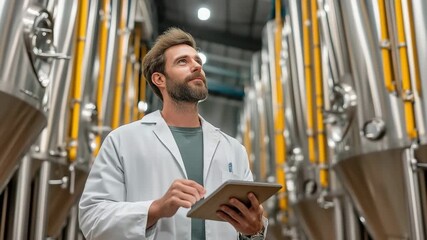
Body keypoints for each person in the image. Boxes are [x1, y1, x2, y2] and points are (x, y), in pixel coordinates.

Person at [79, 27, 267, 240]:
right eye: (182, 62)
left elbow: (249, 225)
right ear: (159, 79)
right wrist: (156, 208)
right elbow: (92, 218)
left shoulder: (233, 149)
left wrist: (255, 231)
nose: (196, 66)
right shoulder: (123, 141)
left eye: (198, 61)